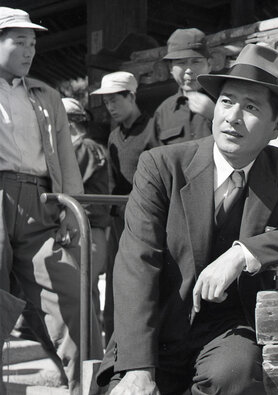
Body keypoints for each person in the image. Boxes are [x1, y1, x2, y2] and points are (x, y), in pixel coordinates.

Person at [96, 43, 278, 395]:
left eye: (250, 107)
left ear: (277, 126)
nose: (232, 117)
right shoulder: (161, 166)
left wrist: (243, 253)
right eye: (226, 101)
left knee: (235, 376)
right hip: (155, 326)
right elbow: (136, 264)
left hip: (227, 327)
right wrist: (138, 368)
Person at [0, 7, 103, 394]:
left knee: (69, 291)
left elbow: (64, 154)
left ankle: (87, 386)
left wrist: (71, 208)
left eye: (33, 44)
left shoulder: (46, 95)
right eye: (19, 42)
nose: (29, 51)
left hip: (43, 198)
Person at [90, 71, 152, 341]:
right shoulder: (114, 136)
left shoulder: (153, 128)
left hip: (148, 218)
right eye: (106, 102)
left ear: (132, 96)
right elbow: (112, 183)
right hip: (119, 220)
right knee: (115, 285)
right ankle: (111, 347)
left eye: (115, 99)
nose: (110, 107)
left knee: (143, 282)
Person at [62, 97, 111, 331]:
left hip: (86, 230)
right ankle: (88, 359)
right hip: (86, 230)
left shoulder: (84, 147)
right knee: (84, 293)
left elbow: (68, 182)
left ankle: (87, 359)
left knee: (80, 293)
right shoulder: (88, 146)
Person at [144, 28, 214, 146]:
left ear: (210, 64)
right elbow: (155, 158)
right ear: (171, 68)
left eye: (196, 61)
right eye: (181, 63)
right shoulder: (163, 112)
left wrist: (215, 115)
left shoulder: (228, 102)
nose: (188, 70)